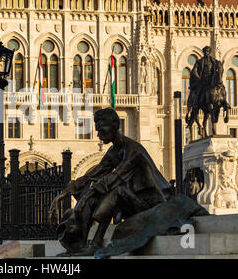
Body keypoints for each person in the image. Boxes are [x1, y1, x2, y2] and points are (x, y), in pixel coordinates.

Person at [49, 108, 173, 256]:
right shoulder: (113, 151)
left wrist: (87, 197)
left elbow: (117, 176)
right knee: (96, 188)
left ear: (114, 126)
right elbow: (93, 174)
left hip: (152, 203)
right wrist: (60, 196)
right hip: (133, 202)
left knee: (115, 191)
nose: (98, 135)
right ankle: (78, 244)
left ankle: (95, 244)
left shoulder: (134, 150)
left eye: (101, 130)